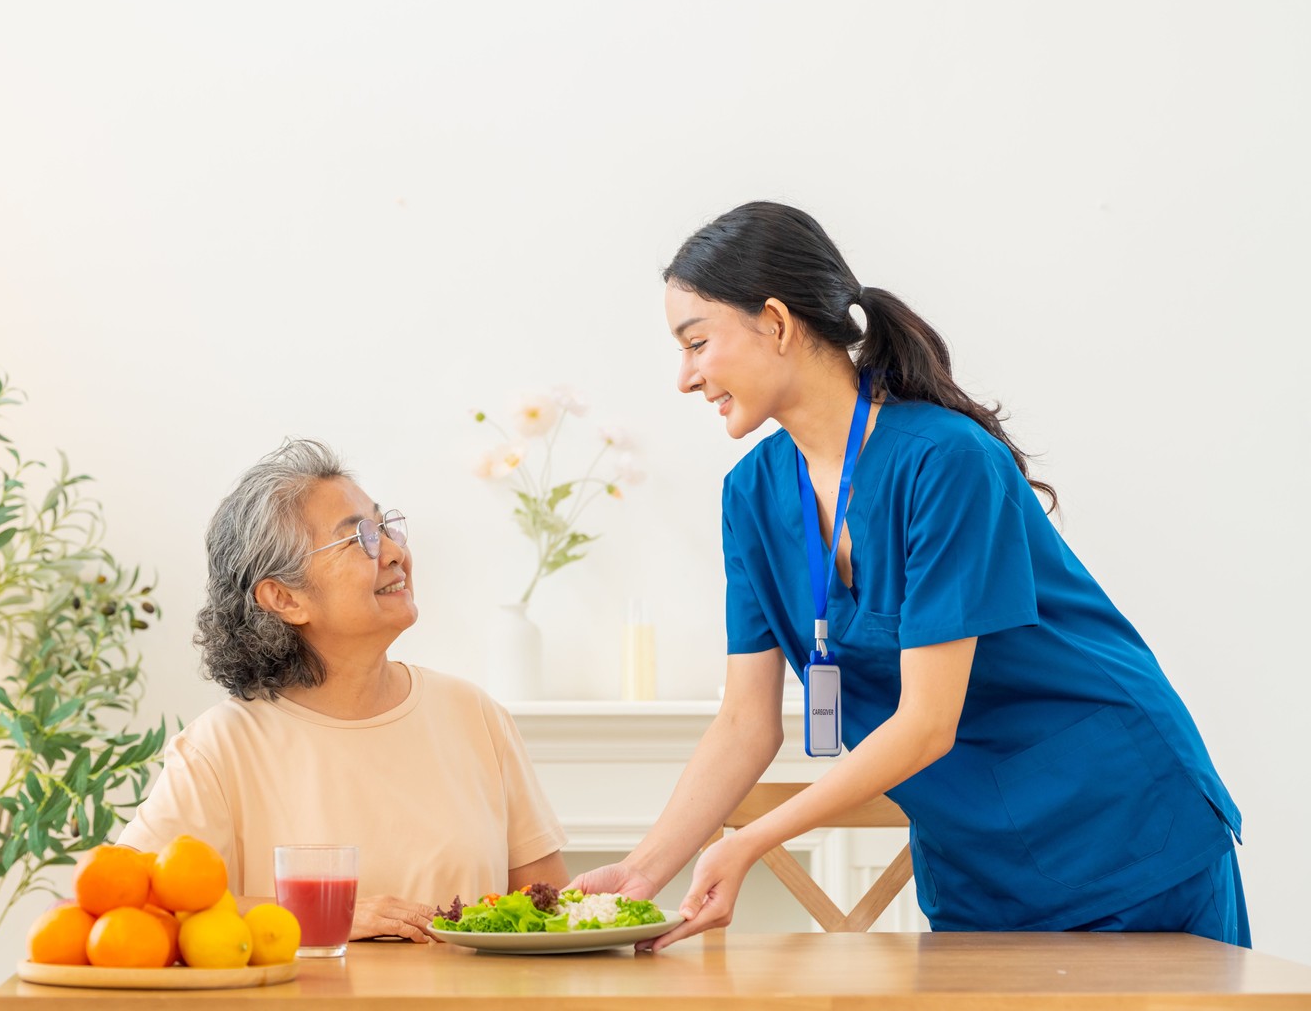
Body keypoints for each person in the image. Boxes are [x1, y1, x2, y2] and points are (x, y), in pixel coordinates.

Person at [573, 201, 1246, 950]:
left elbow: (927, 722)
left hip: (1122, 830)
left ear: (776, 321)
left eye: (697, 342)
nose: (685, 377)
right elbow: (744, 723)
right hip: (977, 860)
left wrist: (749, 841)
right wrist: (643, 870)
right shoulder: (752, 496)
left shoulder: (946, 461)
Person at [118, 439, 568, 941]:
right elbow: (137, 895)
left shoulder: (474, 715)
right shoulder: (219, 748)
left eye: (385, 527)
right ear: (284, 598)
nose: (396, 552)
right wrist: (319, 914)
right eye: (360, 540)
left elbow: (549, 908)